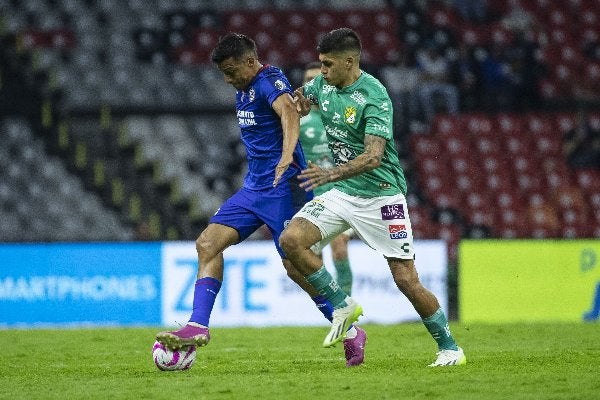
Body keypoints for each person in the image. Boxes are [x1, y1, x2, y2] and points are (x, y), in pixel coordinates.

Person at [155, 33, 366, 367]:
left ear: (250, 62)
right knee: (207, 244)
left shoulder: (270, 80)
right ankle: (197, 324)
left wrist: (286, 157)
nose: (227, 79)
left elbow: (289, 113)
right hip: (254, 189)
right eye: (223, 73)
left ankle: (351, 329)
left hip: (285, 186)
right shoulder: (244, 88)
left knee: (296, 268)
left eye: (231, 70)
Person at [280, 28, 466, 366]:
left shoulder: (375, 95)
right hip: (343, 194)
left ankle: (450, 347)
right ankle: (342, 304)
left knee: (406, 280)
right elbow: (300, 97)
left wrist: (330, 173)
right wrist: (297, 104)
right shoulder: (323, 85)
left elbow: (372, 157)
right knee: (291, 241)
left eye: (327, 65)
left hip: (382, 198)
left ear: (349, 62)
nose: (321, 72)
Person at [299, 61, 354, 295]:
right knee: (313, 256)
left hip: (341, 192)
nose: (313, 84)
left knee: (340, 247)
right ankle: (333, 303)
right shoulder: (297, 120)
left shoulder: (341, 115)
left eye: (317, 79)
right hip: (311, 194)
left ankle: (348, 304)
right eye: (308, 80)